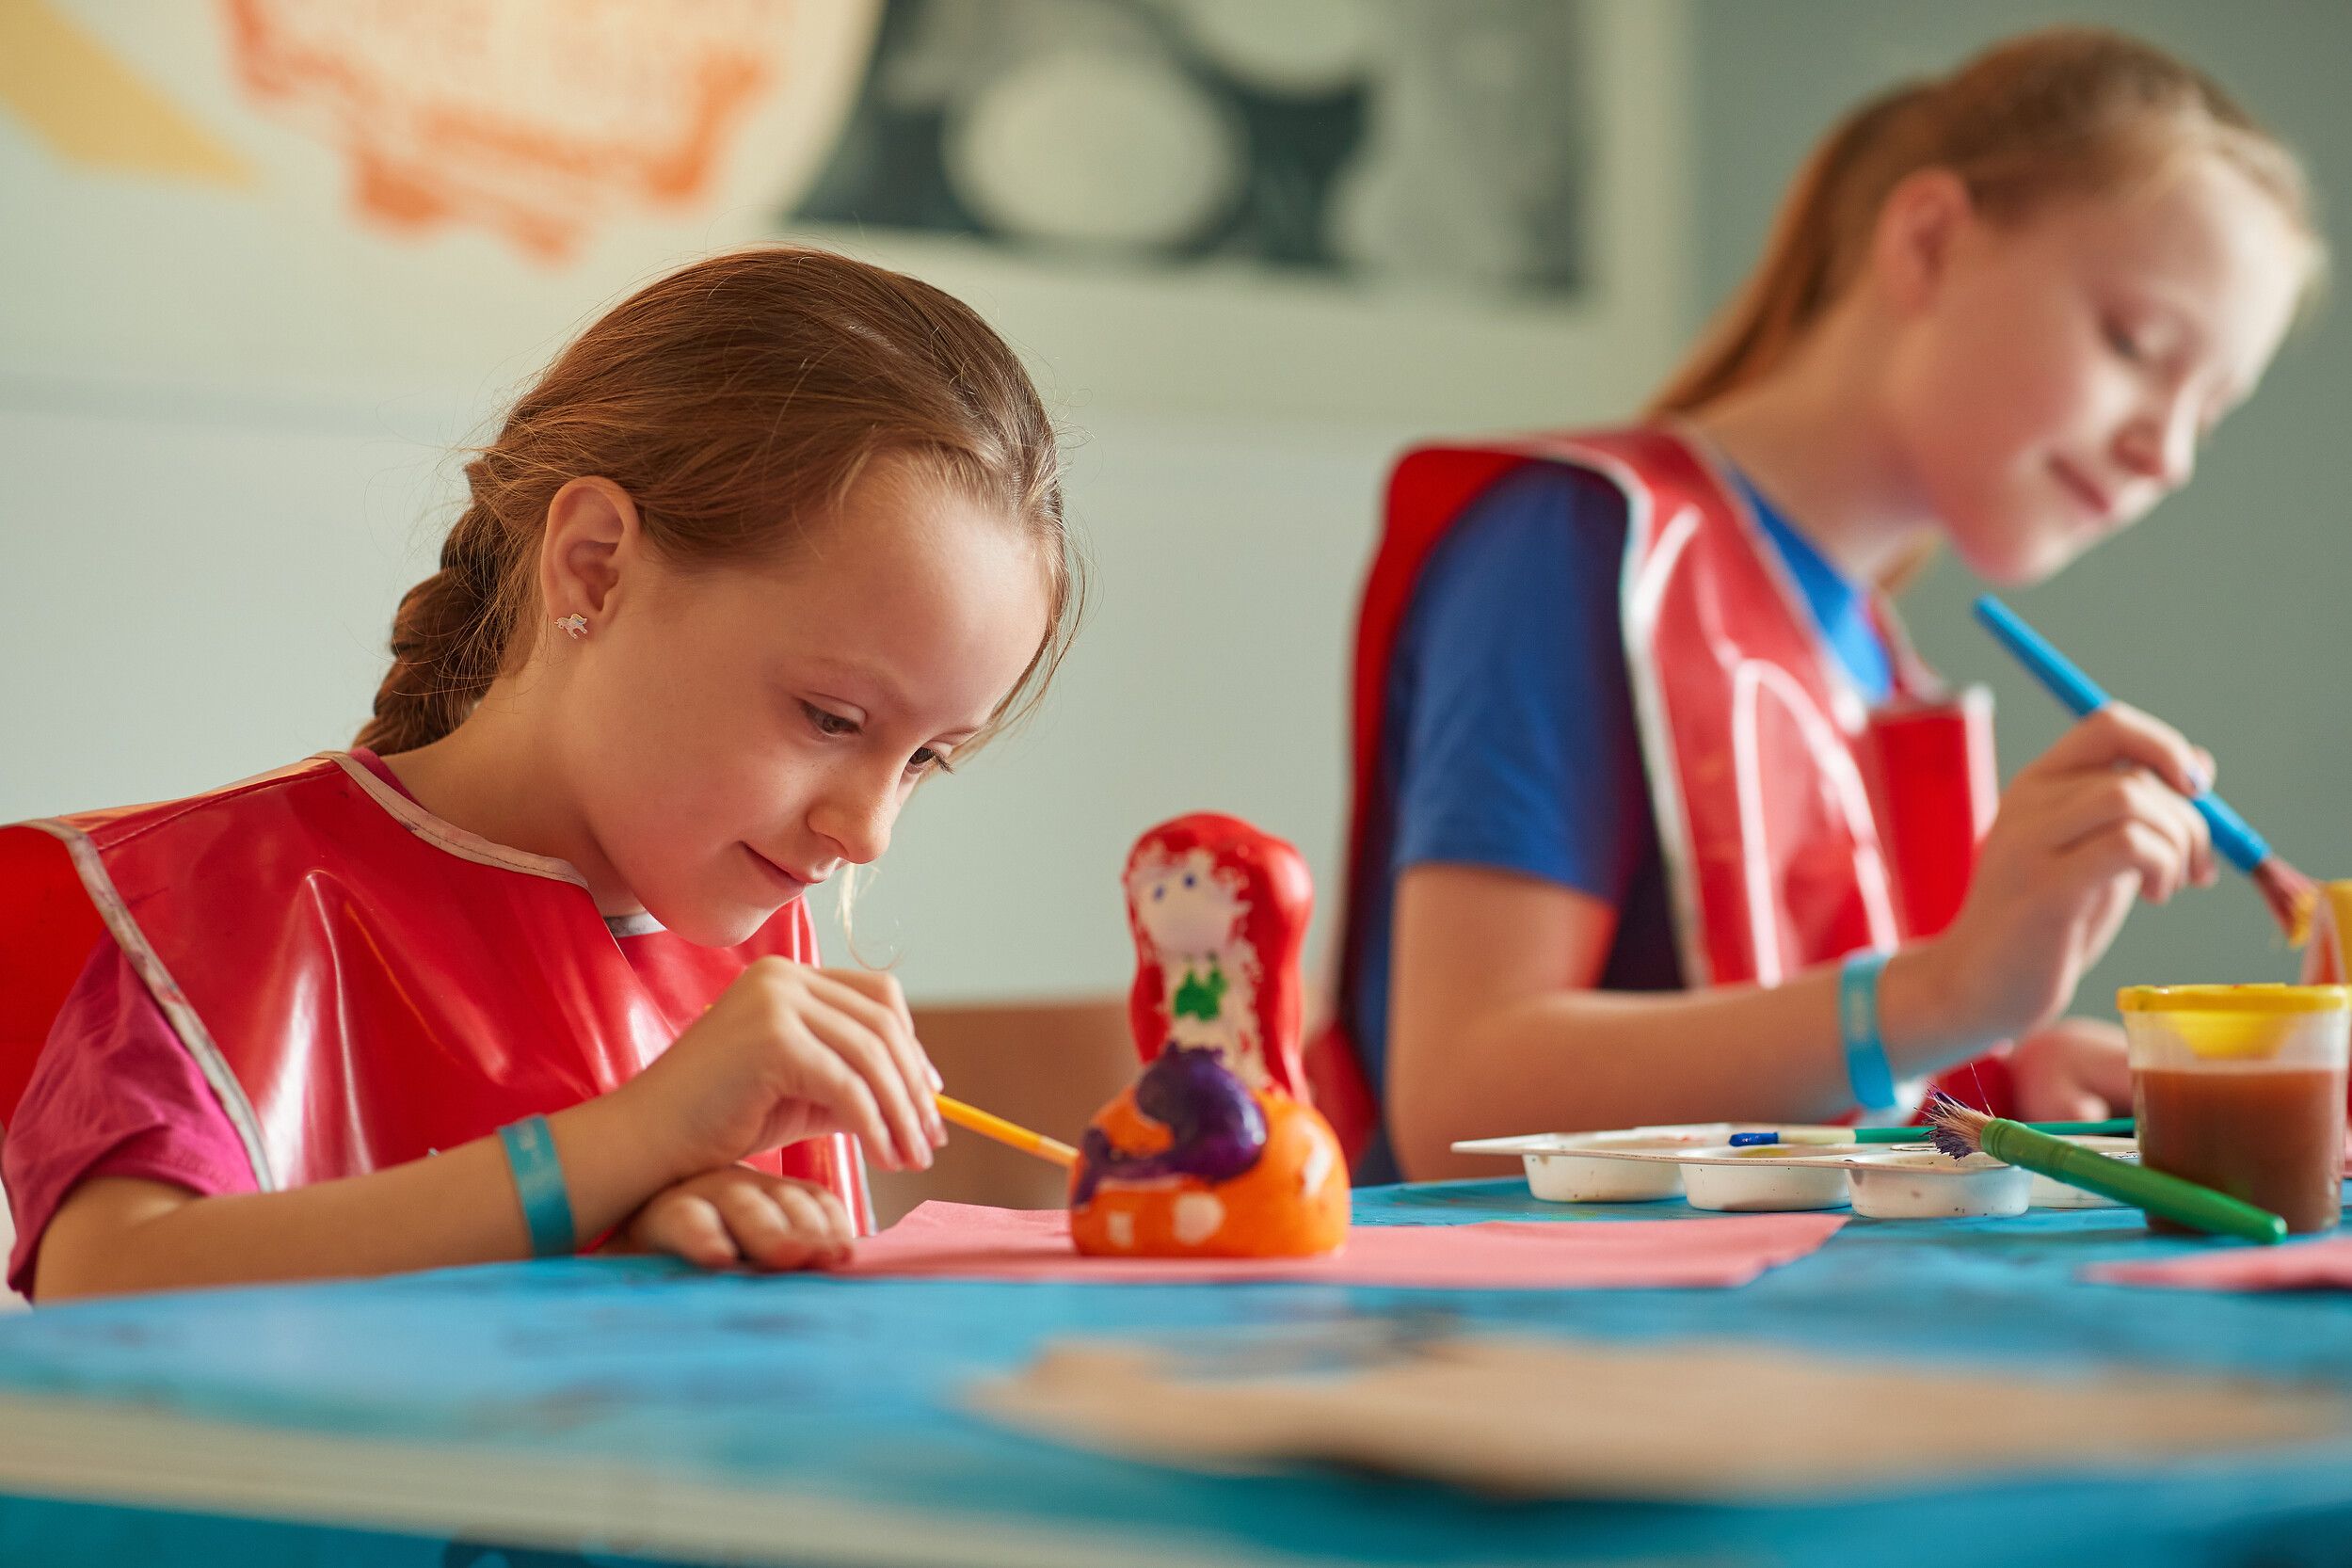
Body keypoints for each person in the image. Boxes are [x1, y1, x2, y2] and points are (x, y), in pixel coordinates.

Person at [1309, 28, 2327, 1182]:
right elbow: (1458, 1101)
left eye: (2214, 408)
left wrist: (1996, 1070)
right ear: (1931, 241)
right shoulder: (1580, 546)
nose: (2169, 452)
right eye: (2137, 343)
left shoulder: (1878, 665)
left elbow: (1820, 1079)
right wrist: (1935, 997)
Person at [0, 247, 1081, 1298]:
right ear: (597, 566)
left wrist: (654, 1248)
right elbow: (108, 1282)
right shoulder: (198, 900)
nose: (868, 830)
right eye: (830, 716)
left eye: (928, 756)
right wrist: (623, 1146)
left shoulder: (757, 967)